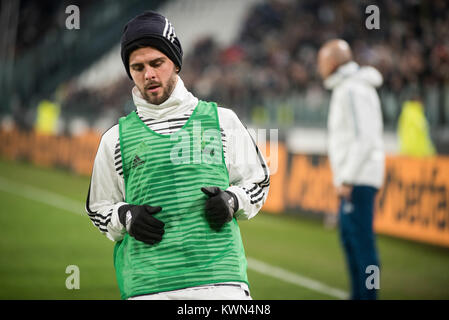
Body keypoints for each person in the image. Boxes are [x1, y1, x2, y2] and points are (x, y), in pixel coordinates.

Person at [85, 11, 270, 300]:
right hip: (148, 284)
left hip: (220, 281)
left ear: (176, 62)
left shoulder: (223, 121)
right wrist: (126, 215)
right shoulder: (114, 139)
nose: (149, 74)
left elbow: (257, 182)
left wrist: (232, 200)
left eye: (157, 63)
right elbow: (98, 207)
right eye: (138, 67)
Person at [317, 39, 385, 300]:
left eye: (322, 61)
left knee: (362, 243)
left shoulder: (353, 89)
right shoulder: (347, 88)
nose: (319, 67)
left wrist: (347, 178)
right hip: (354, 179)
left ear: (333, 62)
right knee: (351, 241)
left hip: (358, 180)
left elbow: (364, 137)